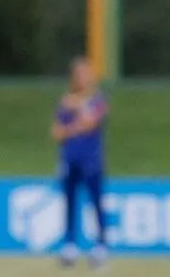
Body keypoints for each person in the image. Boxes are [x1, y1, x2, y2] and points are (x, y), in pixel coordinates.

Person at [53, 56, 109, 267]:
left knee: (96, 203)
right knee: (69, 202)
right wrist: (71, 128)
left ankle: (101, 246)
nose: (82, 78)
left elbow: (90, 123)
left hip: (91, 160)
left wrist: (71, 126)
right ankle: (70, 246)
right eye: (79, 74)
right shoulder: (65, 100)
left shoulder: (98, 100)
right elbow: (57, 132)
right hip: (69, 159)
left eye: (86, 73)